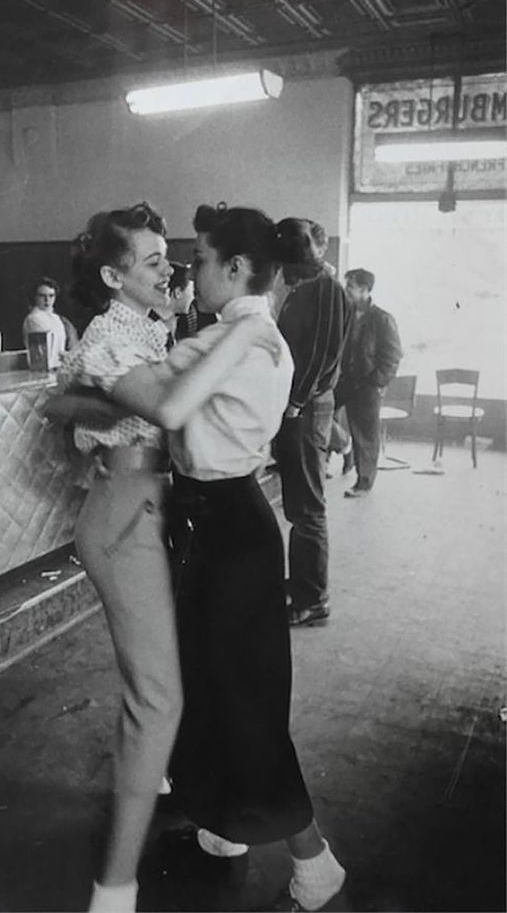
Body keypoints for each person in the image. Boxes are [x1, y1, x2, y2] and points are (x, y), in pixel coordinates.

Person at [48, 202, 279, 913]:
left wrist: (75, 405)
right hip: (125, 516)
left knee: (179, 681)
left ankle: (180, 797)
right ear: (115, 275)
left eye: (171, 257)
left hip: (155, 510)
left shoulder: (143, 326)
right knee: (159, 700)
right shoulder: (113, 333)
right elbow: (165, 407)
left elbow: (68, 404)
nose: (170, 268)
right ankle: (113, 887)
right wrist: (243, 334)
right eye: (152, 260)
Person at [162, 204, 345, 913]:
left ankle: (314, 860)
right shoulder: (243, 332)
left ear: (235, 267)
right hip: (218, 521)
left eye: (200, 259)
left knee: (243, 698)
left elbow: (161, 402)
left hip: (229, 527)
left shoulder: (238, 337)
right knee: (209, 684)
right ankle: (224, 825)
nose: (191, 271)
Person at [273, 218, 351, 627]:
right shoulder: (308, 288)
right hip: (300, 406)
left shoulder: (327, 290)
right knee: (300, 504)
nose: (283, 273)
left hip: (306, 407)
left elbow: (322, 356)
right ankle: (304, 583)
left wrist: (296, 403)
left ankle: (313, 599)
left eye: (287, 265)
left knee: (307, 508)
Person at [337, 268, 402, 498]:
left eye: (351, 287)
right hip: (344, 381)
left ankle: (364, 483)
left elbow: (393, 356)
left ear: (365, 290)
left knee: (366, 434)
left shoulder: (382, 319)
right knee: (321, 414)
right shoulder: (345, 313)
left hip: (367, 385)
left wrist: (376, 381)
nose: (346, 290)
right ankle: (344, 448)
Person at [22, 276, 79, 370]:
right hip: (43, 370)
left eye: (51, 296)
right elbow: (46, 351)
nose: (47, 300)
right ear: (35, 297)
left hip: (60, 368)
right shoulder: (33, 319)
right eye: (42, 296)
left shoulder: (56, 318)